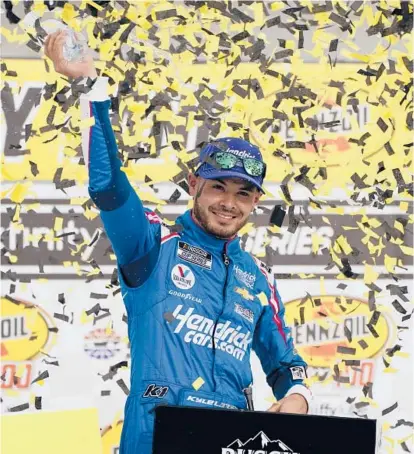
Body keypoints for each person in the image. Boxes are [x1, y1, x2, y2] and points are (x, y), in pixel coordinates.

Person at [45, 30, 311, 454]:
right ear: (193, 184)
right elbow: (108, 186)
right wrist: (89, 85)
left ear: (256, 202)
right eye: (217, 187)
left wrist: (297, 395)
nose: (228, 203)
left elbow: (285, 364)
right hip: (156, 436)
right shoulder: (152, 243)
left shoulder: (257, 277)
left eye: (243, 194)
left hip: (234, 440)